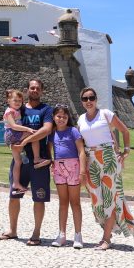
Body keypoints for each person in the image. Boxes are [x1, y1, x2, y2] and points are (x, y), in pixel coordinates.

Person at [77, 86, 134, 250]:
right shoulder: (80, 119)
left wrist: (125, 151)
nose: (89, 101)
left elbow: (124, 131)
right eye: (85, 99)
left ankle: (106, 238)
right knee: (96, 201)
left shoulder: (105, 114)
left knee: (109, 198)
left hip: (108, 158)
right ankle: (109, 230)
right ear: (81, 102)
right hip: (91, 159)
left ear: (96, 99)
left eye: (91, 98)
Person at [0, 78, 53, 246]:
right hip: (21, 159)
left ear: (42, 91)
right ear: (27, 90)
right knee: (14, 196)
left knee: (39, 198)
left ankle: (36, 233)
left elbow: (47, 129)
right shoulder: (18, 108)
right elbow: (8, 124)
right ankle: (13, 230)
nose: (34, 90)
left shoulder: (46, 110)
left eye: (37, 88)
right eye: (32, 88)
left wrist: (26, 141)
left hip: (39, 160)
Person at [49, 104, 86, 249]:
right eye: (58, 116)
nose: (61, 119)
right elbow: (49, 151)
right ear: (54, 117)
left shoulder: (73, 131)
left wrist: (82, 172)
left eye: (64, 116)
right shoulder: (52, 133)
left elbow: (81, 152)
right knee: (62, 202)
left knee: (75, 202)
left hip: (73, 167)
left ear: (68, 118)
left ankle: (78, 235)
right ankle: (62, 234)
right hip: (59, 168)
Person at [3, 89, 48, 194]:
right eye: (15, 100)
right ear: (8, 101)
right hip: (12, 134)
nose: (18, 103)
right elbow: (13, 126)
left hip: (11, 135)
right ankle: (37, 158)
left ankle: (16, 184)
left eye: (20, 101)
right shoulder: (10, 111)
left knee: (18, 162)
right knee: (34, 135)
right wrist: (27, 129)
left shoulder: (17, 110)